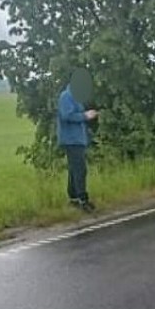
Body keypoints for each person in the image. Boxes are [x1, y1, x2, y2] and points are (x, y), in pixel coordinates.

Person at [57, 80, 98, 212]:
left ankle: (73, 198)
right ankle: (83, 200)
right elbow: (66, 115)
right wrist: (85, 115)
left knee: (74, 169)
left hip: (78, 138)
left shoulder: (76, 97)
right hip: (71, 139)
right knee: (80, 169)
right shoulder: (66, 96)